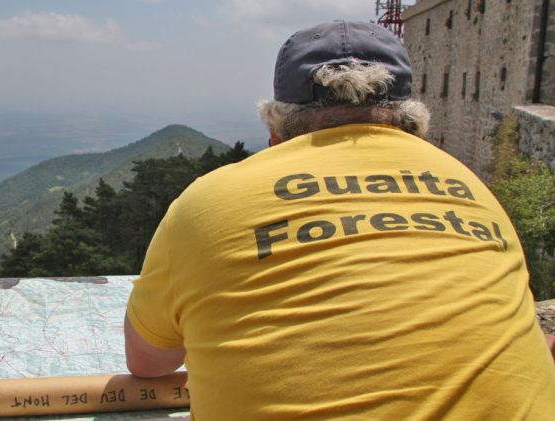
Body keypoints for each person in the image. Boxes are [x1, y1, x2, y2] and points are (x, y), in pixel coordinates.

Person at [124, 21, 555, 420]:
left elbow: (148, 362)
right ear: (412, 125)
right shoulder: (473, 187)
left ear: (275, 130)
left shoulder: (206, 202)